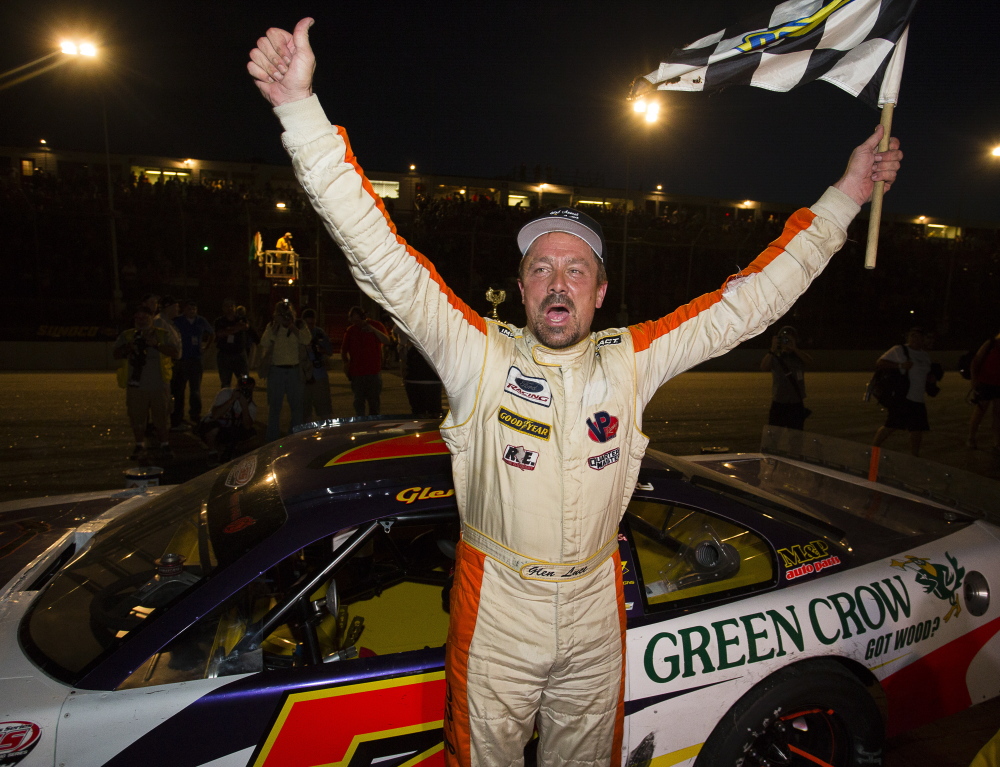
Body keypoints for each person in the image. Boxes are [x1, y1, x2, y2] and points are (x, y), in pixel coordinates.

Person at [248, 19, 901, 766]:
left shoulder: (632, 359)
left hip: (597, 599)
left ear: (598, 294)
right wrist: (301, 111)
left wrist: (847, 193)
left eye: (576, 269)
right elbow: (380, 254)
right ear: (522, 290)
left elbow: (751, 300)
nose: (558, 282)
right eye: (541, 268)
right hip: (498, 606)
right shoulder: (477, 352)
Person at [113, 305, 179, 460]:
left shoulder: (162, 334)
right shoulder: (127, 335)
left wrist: (156, 345)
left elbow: (175, 353)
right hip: (136, 385)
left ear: (152, 318)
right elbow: (116, 354)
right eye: (137, 318)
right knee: (137, 418)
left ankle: (164, 444)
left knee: (162, 417)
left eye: (144, 317)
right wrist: (128, 347)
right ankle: (139, 445)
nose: (140, 321)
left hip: (159, 385)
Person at [873, 328, 934, 457]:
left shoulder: (924, 355)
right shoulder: (900, 349)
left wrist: (930, 379)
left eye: (918, 336)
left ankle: (914, 457)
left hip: (918, 398)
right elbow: (880, 363)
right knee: (891, 425)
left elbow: (924, 373)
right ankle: (873, 449)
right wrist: (900, 366)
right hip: (903, 396)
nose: (914, 339)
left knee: (917, 429)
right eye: (912, 336)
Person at [258, 300, 309, 441]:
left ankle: (294, 437)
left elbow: (306, 339)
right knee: (274, 407)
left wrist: (292, 327)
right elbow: (264, 342)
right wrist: (276, 325)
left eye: (287, 312)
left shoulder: (299, 324)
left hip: (294, 370)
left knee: (297, 407)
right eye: (281, 313)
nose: (285, 316)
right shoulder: (272, 325)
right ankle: (272, 439)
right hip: (276, 371)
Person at [170, 299, 214, 430]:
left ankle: (195, 414)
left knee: (195, 389)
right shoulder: (178, 321)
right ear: (184, 310)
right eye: (189, 309)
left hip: (196, 359)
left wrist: (206, 347)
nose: (192, 312)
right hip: (182, 359)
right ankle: (179, 416)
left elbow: (211, 333)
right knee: (179, 390)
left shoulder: (201, 321)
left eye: (194, 309)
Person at [341, 306, 390, 416]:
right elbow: (344, 350)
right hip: (357, 372)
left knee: (374, 402)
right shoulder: (351, 330)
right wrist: (346, 364)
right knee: (359, 402)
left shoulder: (376, 326)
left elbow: (387, 340)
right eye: (353, 320)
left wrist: (372, 330)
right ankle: (361, 424)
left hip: (373, 371)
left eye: (358, 320)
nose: (356, 323)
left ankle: (374, 426)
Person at [760, 325, 811, 430]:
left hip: (796, 404)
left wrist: (794, 348)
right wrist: (772, 349)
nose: (786, 341)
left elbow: (810, 362)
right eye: (784, 339)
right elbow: (764, 367)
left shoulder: (799, 357)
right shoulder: (775, 357)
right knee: (773, 437)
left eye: (789, 339)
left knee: (796, 438)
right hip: (779, 403)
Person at [197, 374, 258, 463]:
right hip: (213, 425)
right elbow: (215, 415)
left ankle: (230, 451)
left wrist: (244, 407)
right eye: (243, 387)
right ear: (237, 387)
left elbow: (248, 426)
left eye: (248, 388)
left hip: (229, 430)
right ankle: (212, 451)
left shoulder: (251, 405)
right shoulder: (225, 393)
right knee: (213, 428)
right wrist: (232, 400)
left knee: (252, 435)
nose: (245, 390)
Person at [968, 330, 1000, 451]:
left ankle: (997, 442)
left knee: (998, 414)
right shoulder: (991, 344)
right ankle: (971, 437)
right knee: (980, 411)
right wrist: (974, 380)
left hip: (999, 384)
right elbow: (975, 361)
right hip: (985, 383)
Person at [301, 308, 334, 421]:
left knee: (324, 409)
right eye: (308, 324)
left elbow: (329, 350)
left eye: (312, 323)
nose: (310, 326)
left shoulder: (319, 333)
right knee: (305, 411)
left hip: (319, 374)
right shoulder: (298, 333)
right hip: (304, 376)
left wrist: (319, 350)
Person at [214, 299, 252, 388]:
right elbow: (219, 333)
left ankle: (244, 399)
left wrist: (228, 330)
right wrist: (236, 328)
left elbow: (245, 327)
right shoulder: (219, 321)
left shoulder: (242, 319)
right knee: (225, 382)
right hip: (224, 355)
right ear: (223, 308)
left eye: (232, 306)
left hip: (240, 354)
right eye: (227, 306)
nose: (230, 308)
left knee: (244, 380)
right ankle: (227, 400)